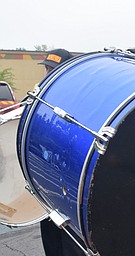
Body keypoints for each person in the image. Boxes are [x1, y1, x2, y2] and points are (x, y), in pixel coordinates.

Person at [37, 48, 85, 256]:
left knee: (71, 239)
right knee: (50, 235)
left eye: (53, 69)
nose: (48, 74)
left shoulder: (77, 100)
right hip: (44, 179)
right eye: (47, 69)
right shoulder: (40, 95)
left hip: (68, 184)